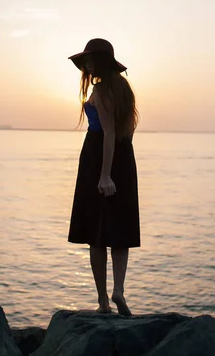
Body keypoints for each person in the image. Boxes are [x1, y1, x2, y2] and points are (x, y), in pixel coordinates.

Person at [67, 38, 140, 316]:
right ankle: (118, 290)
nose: (86, 65)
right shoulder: (124, 89)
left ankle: (102, 303)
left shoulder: (100, 89)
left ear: (100, 61)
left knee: (95, 233)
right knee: (120, 229)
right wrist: (118, 167)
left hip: (99, 159)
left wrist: (105, 175)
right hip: (124, 158)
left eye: (89, 59)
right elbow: (127, 131)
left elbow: (107, 132)